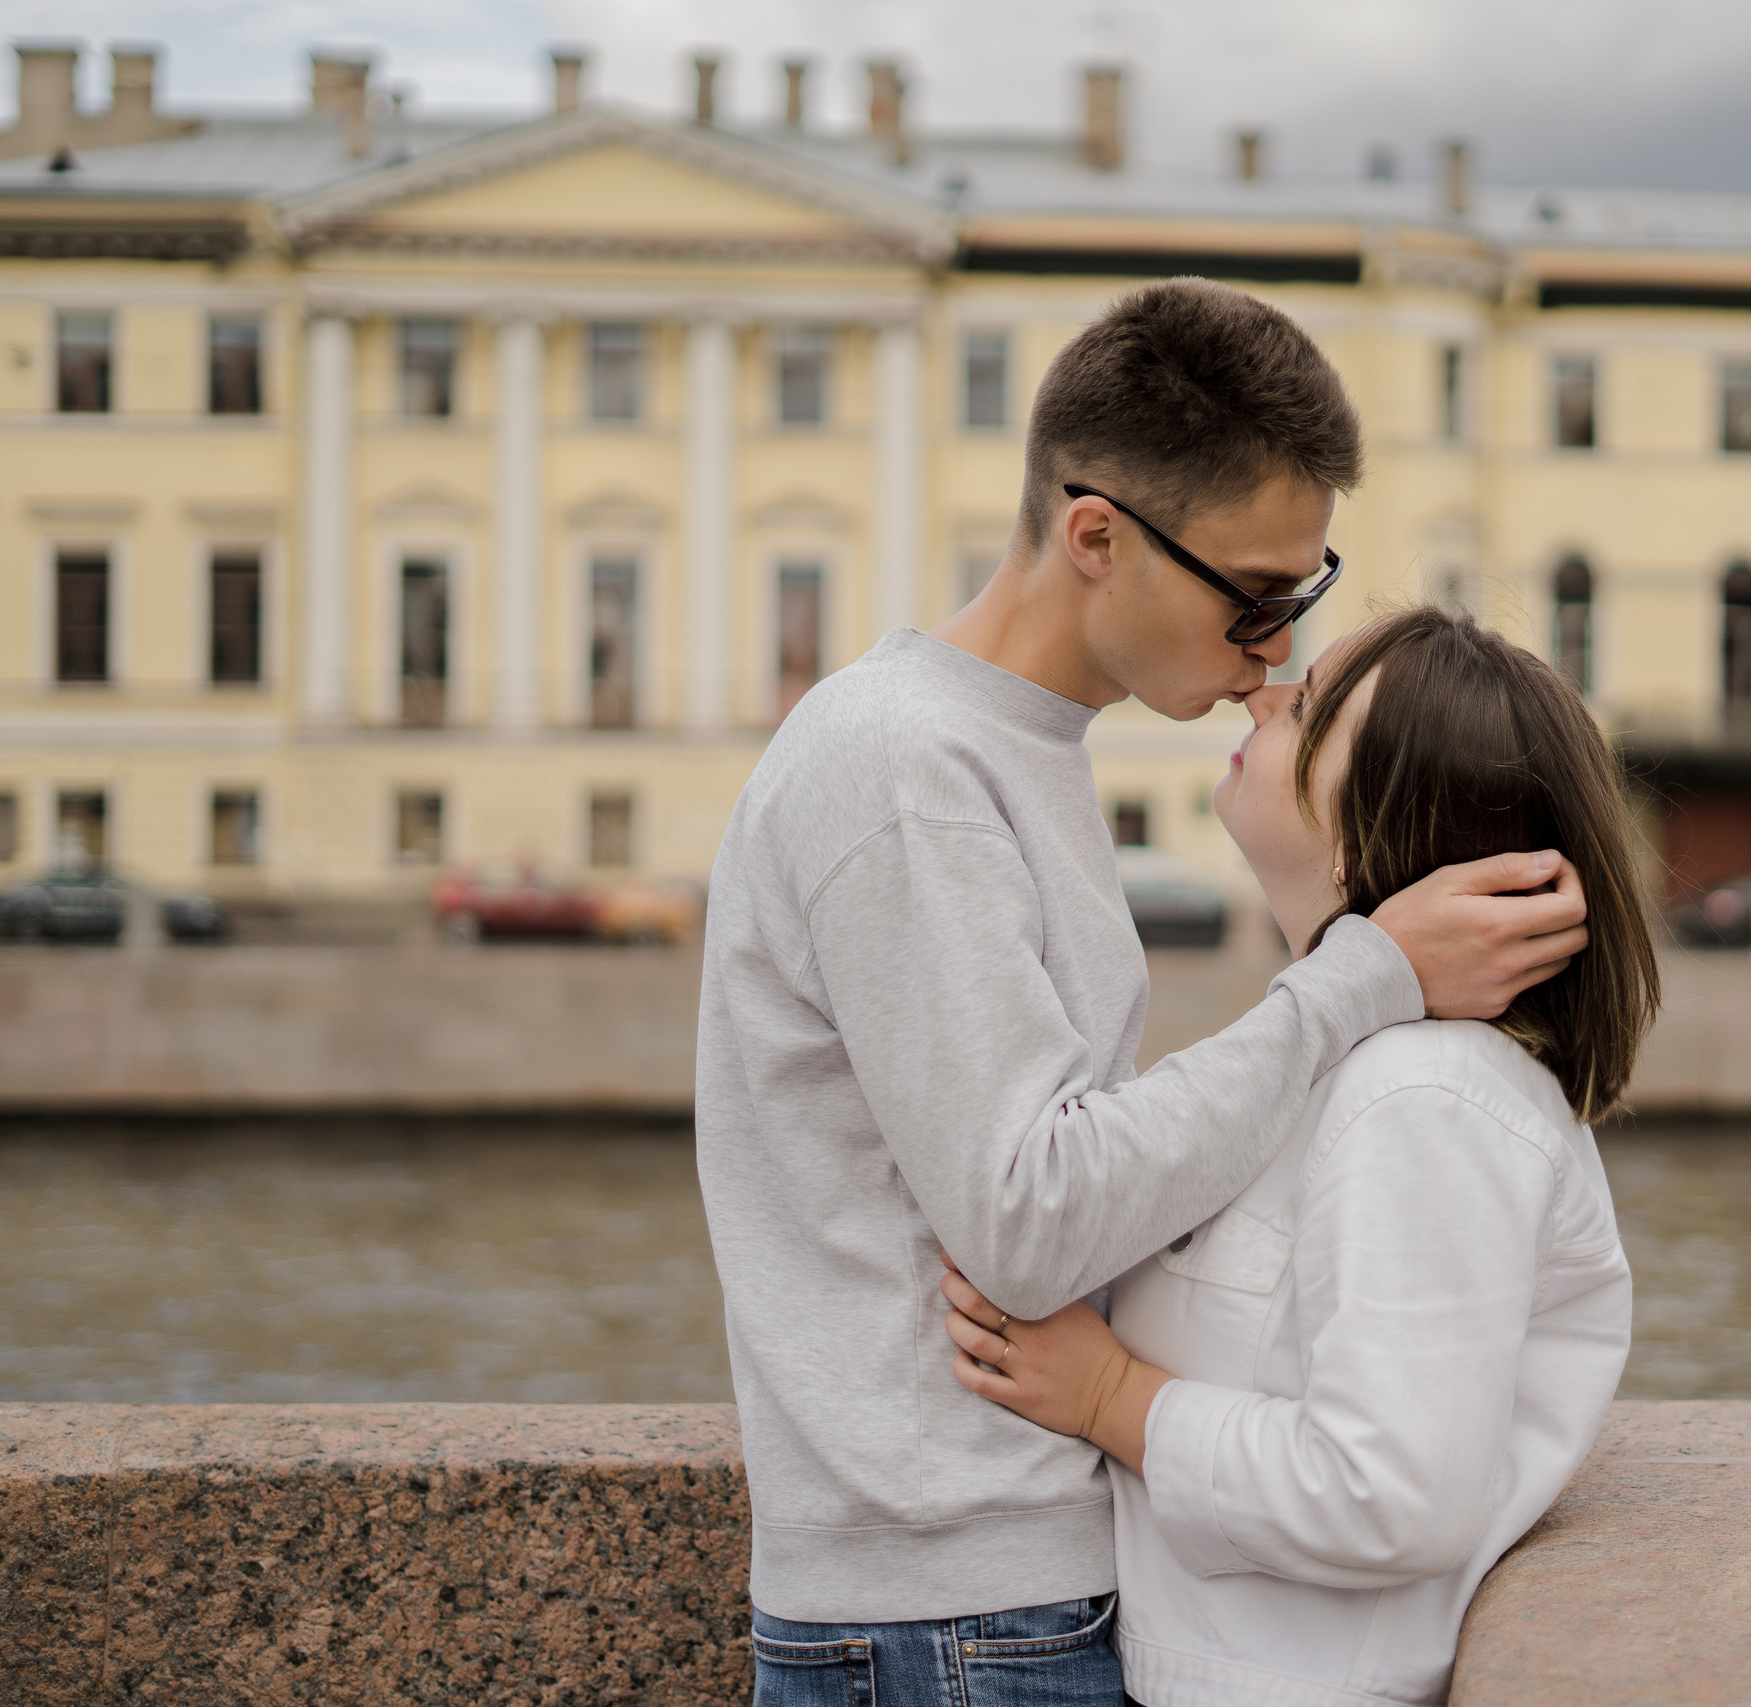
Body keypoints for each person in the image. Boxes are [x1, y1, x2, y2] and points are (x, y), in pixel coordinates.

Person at [695, 280, 1591, 1707]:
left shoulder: (1011, 748)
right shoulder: (908, 767)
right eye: (1254, 596)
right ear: (1096, 536)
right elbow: (1029, 1221)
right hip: (953, 1604)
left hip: (979, 1587)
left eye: (1303, 595)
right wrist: (1365, 974)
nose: (1275, 648)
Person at [941, 605, 1661, 1707]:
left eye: (1311, 703)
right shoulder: (1360, 1071)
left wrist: (1113, 1399)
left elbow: (1390, 1493)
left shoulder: (1423, 1095)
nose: (1262, 689)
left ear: (1365, 832)